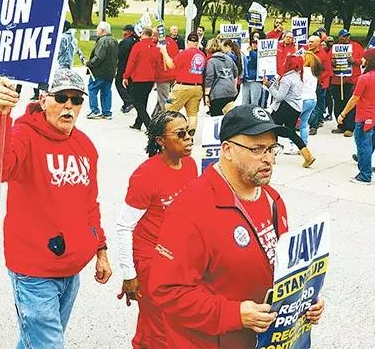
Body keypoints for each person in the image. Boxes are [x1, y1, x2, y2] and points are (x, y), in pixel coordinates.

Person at [148, 104, 325, 348]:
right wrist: (234, 314)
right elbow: (166, 290)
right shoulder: (191, 209)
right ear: (227, 150)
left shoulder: (273, 199)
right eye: (256, 149)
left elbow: (281, 268)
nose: (268, 159)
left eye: (272, 148)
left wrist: (303, 300)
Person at [0, 68, 111, 348]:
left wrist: (100, 249)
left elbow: (91, 203)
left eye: (76, 100)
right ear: (43, 100)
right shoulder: (24, 134)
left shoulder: (85, 146)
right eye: (62, 97)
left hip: (71, 269)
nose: (69, 106)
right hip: (34, 271)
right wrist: (1, 116)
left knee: (34, 342)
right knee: (48, 345)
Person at [116, 111, 197, 348]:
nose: (188, 138)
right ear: (161, 140)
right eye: (180, 134)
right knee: (158, 329)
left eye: (190, 132)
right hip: (151, 263)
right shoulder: (145, 176)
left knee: (175, 325)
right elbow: (124, 226)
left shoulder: (191, 166)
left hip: (179, 260)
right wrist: (129, 274)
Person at [338, 48, 375, 185]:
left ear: (369, 60)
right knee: (366, 143)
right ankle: (364, 172)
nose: (362, 60)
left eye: (364, 58)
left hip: (365, 116)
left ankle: (365, 175)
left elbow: (354, 98)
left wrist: (343, 114)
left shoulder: (364, 78)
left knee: (363, 145)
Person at [262, 55, 316, 167]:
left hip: (285, 106)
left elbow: (280, 97)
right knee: (291, 132)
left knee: (272, 129)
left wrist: (269, 86)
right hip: (295, 107)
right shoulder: (298, 76)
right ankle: (307, 155)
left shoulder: (287, 78)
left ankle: (271, 157)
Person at [164, 33, 206, 131]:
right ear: (197, 42)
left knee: (170, 109)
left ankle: (170, 131)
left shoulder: (184, 53)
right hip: (197, 87)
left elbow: (171, 65)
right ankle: (191, 132)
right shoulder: (202, 55)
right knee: (192, 113)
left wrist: (164, 52)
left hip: (182, 86)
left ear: (187, 42)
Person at [330, 29, 364, 137]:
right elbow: (327, 61)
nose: (346, 38)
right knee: (338, 102)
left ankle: (350, 127)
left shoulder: (356, 46)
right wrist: (332, 62)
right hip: (337, 80)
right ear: (339, 37)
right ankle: (341, 125)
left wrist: (354, 61)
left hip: (352, 80)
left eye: (348, 36)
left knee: (350, 103)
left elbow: (363, 61)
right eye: (344, 36)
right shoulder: (334, 48)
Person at [123, 27, 158, 131]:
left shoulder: (137, 46)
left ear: (142, 34)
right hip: (150, 78)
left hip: (138, 78)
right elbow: (157, 64)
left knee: (136, 101)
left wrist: (125, 76)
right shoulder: (155, 47)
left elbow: (131, 62)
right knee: (143, 100)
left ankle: (149, 125)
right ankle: (138, 123)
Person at [86, 21, 118, 120]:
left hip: (99, 72)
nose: (97, 30)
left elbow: (99, 57)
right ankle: (107, 112)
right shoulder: (114, 40)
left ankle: (95, 110)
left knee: (92, 89)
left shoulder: (102, 41)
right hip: (110, 71)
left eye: (98, 28)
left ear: (102, 30)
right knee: (106, 91)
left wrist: (89, 63)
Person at [204, 38, 239, 116]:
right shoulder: (229, 59)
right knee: (229, 117)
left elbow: (209, 78)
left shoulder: (211, 61)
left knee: (216, 117)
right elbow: (235, 74)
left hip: (217, 94)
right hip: (230, 92)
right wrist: (234, 88)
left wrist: (206, 95)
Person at [151, 28, 180, 120]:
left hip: (162, 75)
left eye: (153, 35)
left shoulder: (159, 45)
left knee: (164, 99)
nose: (151, 38)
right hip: (172, 74)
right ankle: (155, 115)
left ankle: (167, 119)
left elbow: (155, 61)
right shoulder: (172, 42)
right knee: (162, 97)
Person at [307, 35, 332, 134]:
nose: (309, 43)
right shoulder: (307, 52)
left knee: (316, 105)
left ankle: (314, 125)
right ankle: (313, 121)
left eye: (312, 42)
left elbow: (328, 71)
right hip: (308, 83)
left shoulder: (323, 55)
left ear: (318, 43)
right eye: (309, 41)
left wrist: (317, 78)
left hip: (318, 84)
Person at [300, 51, 323, 147]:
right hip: (312, 99)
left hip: (302, 99)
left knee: (292, 124)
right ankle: (304, 144)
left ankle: (294, 145)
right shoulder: (314, 73)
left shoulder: (303, 72)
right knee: (304, 124)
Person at [116, 24, 138, 113]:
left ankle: (128, 101)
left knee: (119, 83)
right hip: (133, 66)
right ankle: (127, 102)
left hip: (123, 65)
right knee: (129, 84)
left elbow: (120, 54)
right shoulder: (136, 40)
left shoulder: (125, 41)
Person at [242, 35, 261, 105]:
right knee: (244, 101)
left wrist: (251, 52)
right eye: (253, 42)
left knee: (254, 103)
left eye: (257, 42)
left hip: (255, 79)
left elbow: (255, 60)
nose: (255, 44)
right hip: (246, 80)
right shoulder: (246, 52)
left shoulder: (260, 53)